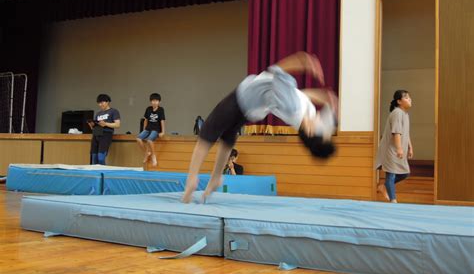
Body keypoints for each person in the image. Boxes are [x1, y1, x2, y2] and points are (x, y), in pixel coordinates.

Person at [182, 51, 338, 203]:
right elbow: (302, 94)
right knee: (228, 135)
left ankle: (192, 178)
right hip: (251, 108)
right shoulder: (307, 113)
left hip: (243, 98)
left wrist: (300, 61)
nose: (322, 122)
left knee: (208, 130)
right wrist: (324, 96)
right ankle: (216, 177)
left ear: (310, 131)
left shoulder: (293, 108)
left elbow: (277, 70)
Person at [375, 90, 413, 203]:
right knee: (391, 174)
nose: (410, 99)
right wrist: (399, 148)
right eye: (406, 97)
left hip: (397, 148)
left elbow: (405, 132)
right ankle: (393, 201)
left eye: (409, 97)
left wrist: (410, 147)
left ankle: (384, 187)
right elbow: (396, 132)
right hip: (390, 149)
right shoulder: (396, 113)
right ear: (399, 101)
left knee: (405, 173)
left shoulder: (405, 114)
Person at [88, 94, 121, 165]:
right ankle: (94, 174)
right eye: (99, 103)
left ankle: (103, 173)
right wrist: (92, 125)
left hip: (106, 135)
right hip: (96, 134)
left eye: (102, 102)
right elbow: (94, 127)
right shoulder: (98, 113)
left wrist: (106, 124)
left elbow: (117, 125)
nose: (100, 104)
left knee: (101, 158)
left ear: (107, 102)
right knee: (93, 157)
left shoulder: (114, 111)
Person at [136, 93, 166, 166]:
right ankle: (147, 153)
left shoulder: (161, 110)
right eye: (153, 100)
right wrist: (144, 129)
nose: (154, 102)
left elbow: (162, 121)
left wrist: (163, 132)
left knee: (149, 140)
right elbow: (145, 120)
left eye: (156, 101)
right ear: (150, 101)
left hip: (156, 129)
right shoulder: (148, 109)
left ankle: (153, 156)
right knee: (138, 139)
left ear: (159, 102)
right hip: (148, 128)